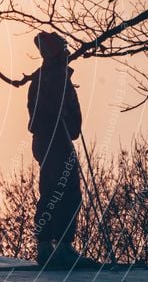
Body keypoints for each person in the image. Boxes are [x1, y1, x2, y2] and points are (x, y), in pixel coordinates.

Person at [27, 31, 99, 269]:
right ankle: (48, 245)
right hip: (52, 139)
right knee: (55, 190)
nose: (66, 49)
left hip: (61, 138)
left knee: (69, 192)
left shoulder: (59, 75)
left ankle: (62, 245)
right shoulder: (48, 76)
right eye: (60, 46)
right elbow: (45, 109)